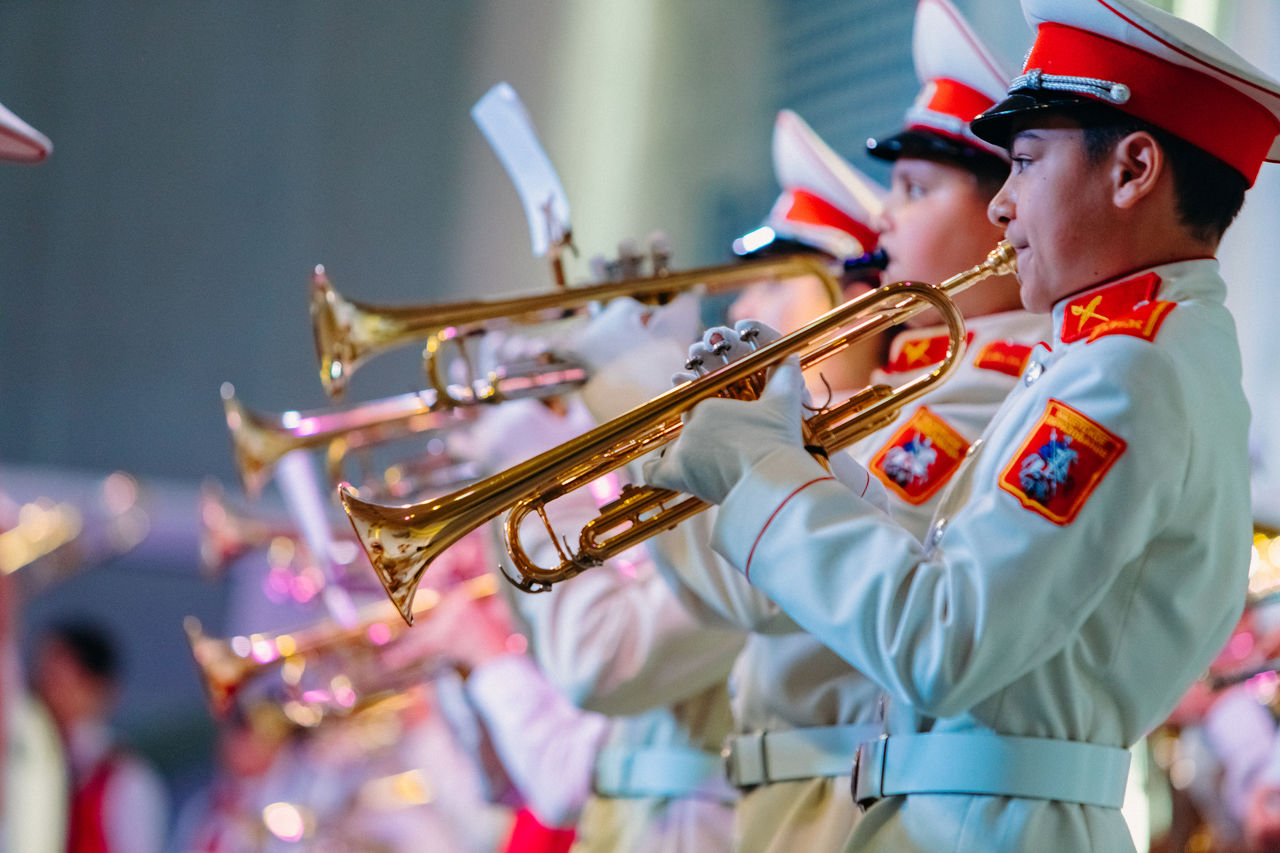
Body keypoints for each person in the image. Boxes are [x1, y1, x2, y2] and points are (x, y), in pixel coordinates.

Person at [645, 0, 1280, 849]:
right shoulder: (1112, 353)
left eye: (1021, 163)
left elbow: (946, 639)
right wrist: (784, 450)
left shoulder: (1130, 369)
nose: (1001, 206)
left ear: (1132, 170)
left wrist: (762, 470)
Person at [642, 3, 1047, 849]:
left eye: (916, 188)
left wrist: (662, 432)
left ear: (1000, 212)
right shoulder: (922, 376)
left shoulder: (988, 382)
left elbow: (766, 593)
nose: (888, 218)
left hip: (831, 790)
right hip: (789, 788)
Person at [32, 620, 169, 853]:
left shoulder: (128, 781)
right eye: (42, 680)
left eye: (60, 683)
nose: (46, 695)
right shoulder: (30, 763)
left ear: (98, 690)